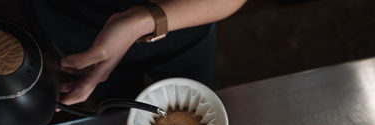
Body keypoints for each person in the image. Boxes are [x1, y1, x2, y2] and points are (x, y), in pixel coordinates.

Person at [33, 0, 247, 107]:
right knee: (115, 119)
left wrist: (137, 24)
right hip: (80, 37)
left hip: (186, 23)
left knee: (193, 108)